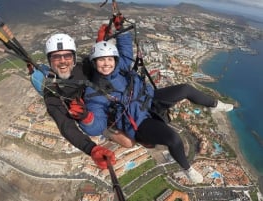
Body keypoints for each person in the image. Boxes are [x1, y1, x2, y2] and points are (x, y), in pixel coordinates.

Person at [69, 25, 234, 183]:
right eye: (101, 60)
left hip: (149, 98)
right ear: (94, 63)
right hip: (138, 122)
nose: (106, 64)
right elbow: (96, 126)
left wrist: (121, 31)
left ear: (114, 59)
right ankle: (187, 169)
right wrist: (85, 117)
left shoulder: (121, 68)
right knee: (173, 139)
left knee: (185, 89)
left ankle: (214, 105)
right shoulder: (95, 92)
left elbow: (125, 51)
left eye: (109, 59)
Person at [30, 33, 118, 170]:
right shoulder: (51, 90)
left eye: (67, 56)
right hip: (87, 114)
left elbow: (100, 60)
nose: (63, 61)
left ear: (74, 58)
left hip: (98, 101)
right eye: (56, 57)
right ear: (50, 61)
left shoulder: (83, 67)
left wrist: (100, 42)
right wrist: (91, 149)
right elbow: (65, 125)